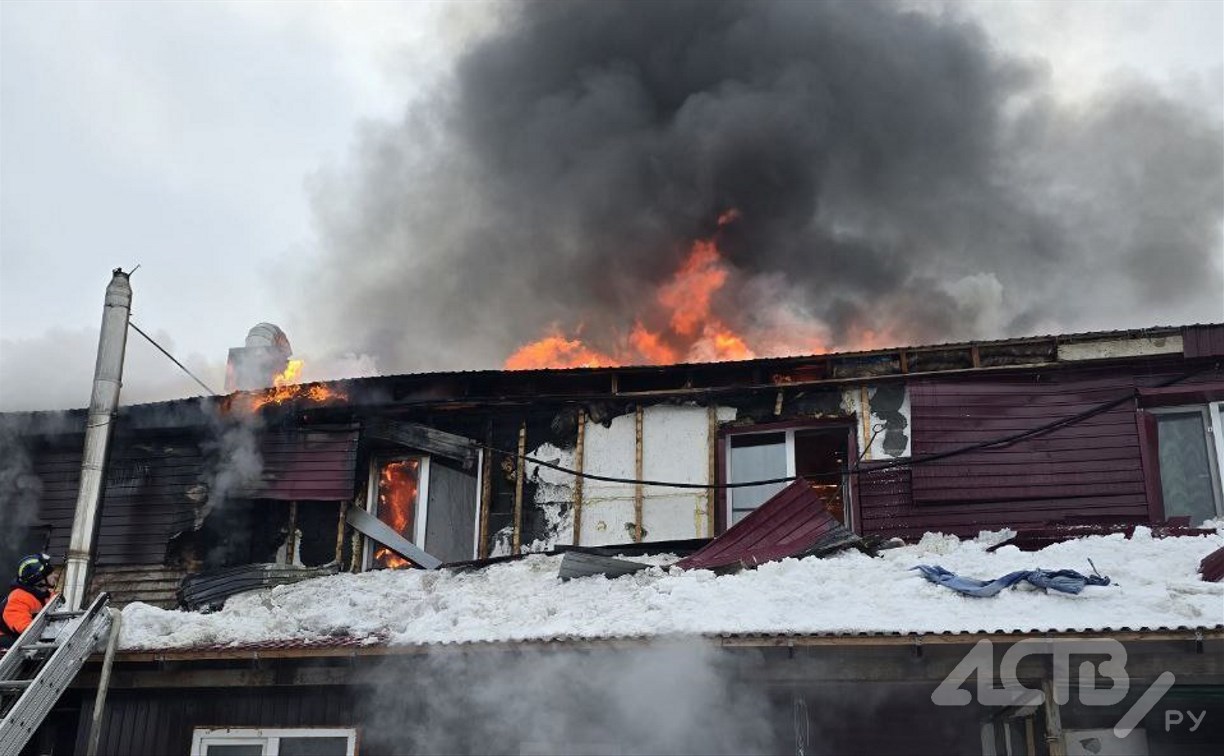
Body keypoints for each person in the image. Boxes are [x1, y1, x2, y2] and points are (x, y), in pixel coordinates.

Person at [0, 553, 57, 649]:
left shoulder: (46, 594)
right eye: (50, 574)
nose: (55, 575)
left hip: (23, 637)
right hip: (5, 640)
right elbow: (25, 629)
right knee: (28, 649)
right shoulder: (18, 598)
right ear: (38, 578)